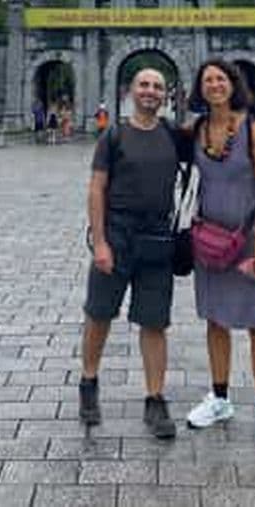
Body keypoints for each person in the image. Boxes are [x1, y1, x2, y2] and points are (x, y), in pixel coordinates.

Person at [78, 69, 181, 439]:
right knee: (99, 313)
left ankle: (155, 399)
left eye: (157, 86)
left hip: (157, 236)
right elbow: (96, 189)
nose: (150, 92)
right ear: (130, 91)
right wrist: (100, 242)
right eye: (144, 85)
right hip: (117, 234)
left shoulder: (173, 134)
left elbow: (215, 146)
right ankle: (89, 381)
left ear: (165, 94)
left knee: (154, 322)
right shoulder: (114, 135)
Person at [185, 58, 255, 449]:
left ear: (232, 84)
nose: (214, 85)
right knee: (215, 319)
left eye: (220, 78)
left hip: (247, 239)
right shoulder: (197, 131)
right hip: (210, 240)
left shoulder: (253, 130)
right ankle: (221, 398)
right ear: (200, 88)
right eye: (207, 79)